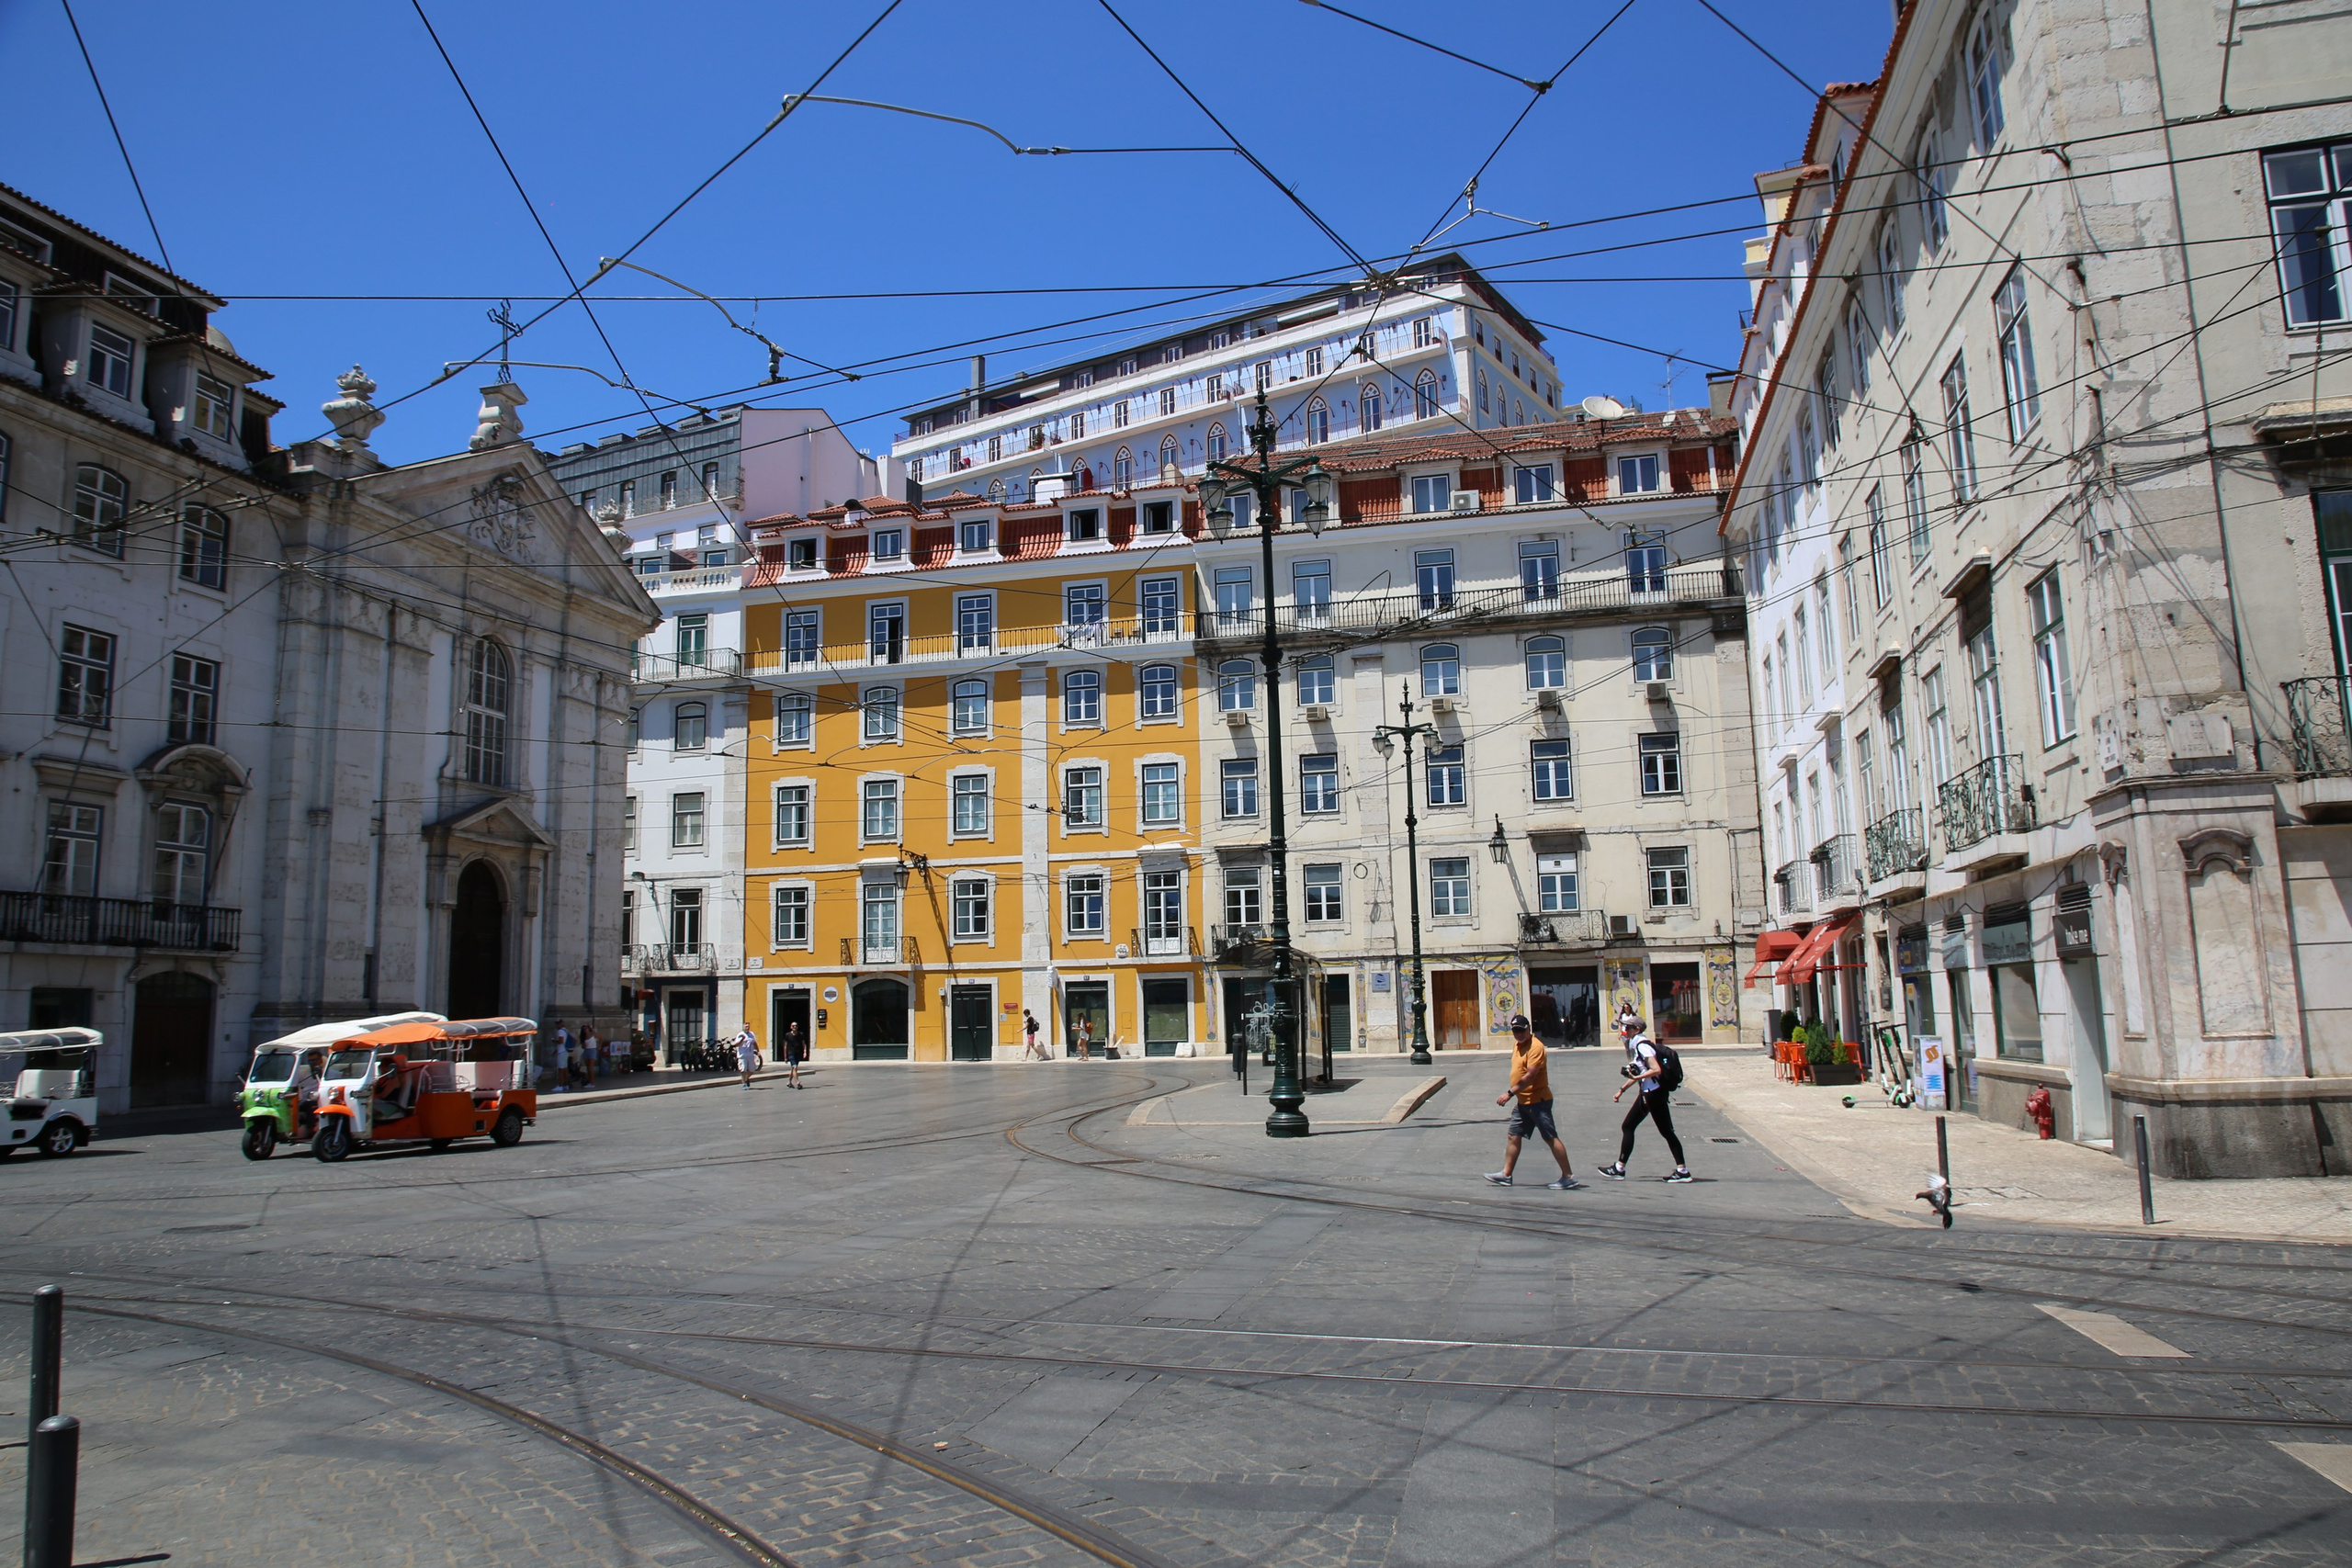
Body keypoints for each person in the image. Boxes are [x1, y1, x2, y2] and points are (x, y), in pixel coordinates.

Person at [1486, 1014, 1578, 1189]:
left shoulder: (1536, 1047)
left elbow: (1530, 1076)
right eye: (1515, 1031)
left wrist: (1509, 1093)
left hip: (1538, 1101)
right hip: (1523, 1101)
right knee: (1513, 1135)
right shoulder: (1518, 1045)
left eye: (1521, 1030)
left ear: (1529, 1029)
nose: (1518, 1034)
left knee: (1550, 1137)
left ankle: (1568, 1176)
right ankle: (1506, 1174)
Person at [1599, 1019, 1691, 1183]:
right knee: (1667, 1131)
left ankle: (1620, 1168)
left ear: (1637, 1029)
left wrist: (1638, 1077)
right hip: (1656, 1092)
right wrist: (1622, 1090)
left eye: (1627, 1027)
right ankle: (1682, 1170)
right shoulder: (1637, 1045)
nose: (1624, 1029)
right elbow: (1639, 1071)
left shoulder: (1642, 1046)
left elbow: (1656, 1069)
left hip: (1651, 1093)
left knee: (1628, 1126)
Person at [734, 1024, 762, 1089]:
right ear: (743, 1027)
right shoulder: (740, 1035)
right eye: (746, 1027)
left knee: (752, 1069)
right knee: (743, 1070)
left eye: (748, 1027)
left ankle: (746, 1079)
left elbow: (754, 1043)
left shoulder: (751, 1034)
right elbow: (736, 1044)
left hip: (750, 1054)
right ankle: (744, 1084)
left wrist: (758, 1051)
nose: (747, 1028)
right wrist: (742, 1040)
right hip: (742, 1055)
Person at [781, 1021, 806, 1089]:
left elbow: (803, 1044)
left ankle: (789, 1082)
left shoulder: (800, 1034)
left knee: (793, 1069)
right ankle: (798, 1083)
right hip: (791, 1053)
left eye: (796, 1026)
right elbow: (785, 1046)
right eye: (793, 1026)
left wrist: (805, 1052)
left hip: (798, 1053)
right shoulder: (788, 1035)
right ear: (791, 1027)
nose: (795, 1027)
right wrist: (785, 1056)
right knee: (795, 1067)